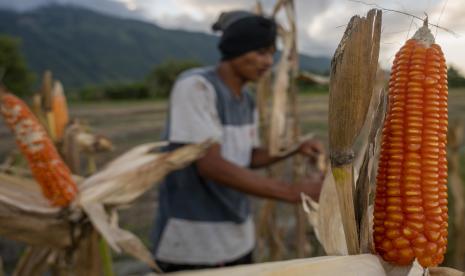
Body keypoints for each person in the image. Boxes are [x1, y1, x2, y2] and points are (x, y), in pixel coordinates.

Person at [151, 10, 324, 273]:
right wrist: (292, 191)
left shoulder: (247, 99)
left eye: (270, 54)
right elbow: (210, 165)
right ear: (235, 49)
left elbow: (246, 156)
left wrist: (293, 149)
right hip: (192, 243)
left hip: (238, 239)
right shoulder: (197, 87)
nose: (268, 62)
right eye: (259, 52)